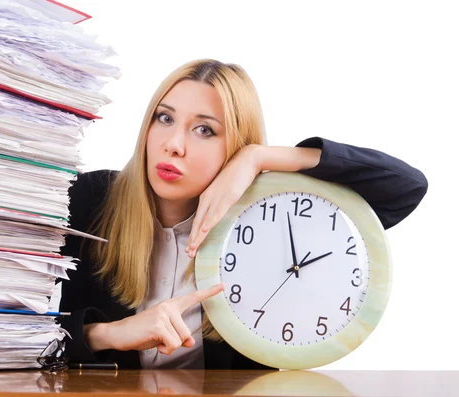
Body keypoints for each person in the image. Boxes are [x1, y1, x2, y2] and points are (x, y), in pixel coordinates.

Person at [59, 59, 428, 370]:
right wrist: (107, 333)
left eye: (205, 130)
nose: (173, 145)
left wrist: (260, 157)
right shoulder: (86, 199)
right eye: (165, 118)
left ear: (235, 143)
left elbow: (405, 187)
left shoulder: (265, 218)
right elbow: (15, 330)